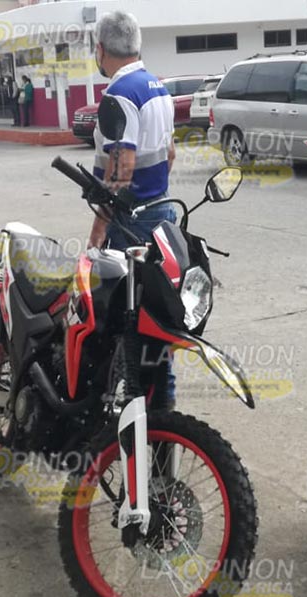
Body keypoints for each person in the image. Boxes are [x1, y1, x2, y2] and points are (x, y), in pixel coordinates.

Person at [86, 11, 178, 412]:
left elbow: (119, 175)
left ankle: (137, 420)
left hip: (131, 226)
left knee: (127, 326)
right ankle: (162, 415)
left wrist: (95, 238)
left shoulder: (117, 96)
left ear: (101, 49)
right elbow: (170, 154)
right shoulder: (157, 87)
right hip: (163, 218)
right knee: (160, 326)